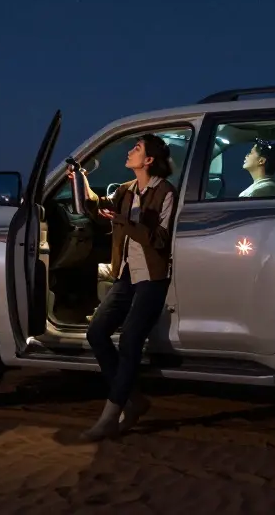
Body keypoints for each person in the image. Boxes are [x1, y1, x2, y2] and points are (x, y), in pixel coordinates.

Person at [68, 133, 177, 441]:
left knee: (130, 341)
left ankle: (110, 416)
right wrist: (81, 182)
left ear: (149, 160)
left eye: (136, 149)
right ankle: (133, 399)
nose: (130, 152)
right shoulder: (127, 190)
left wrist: (125, 222)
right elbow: (96, 209)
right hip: (127, 273)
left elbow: (159, 240)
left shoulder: (165, 192)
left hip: (153, 277)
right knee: (96, 332)